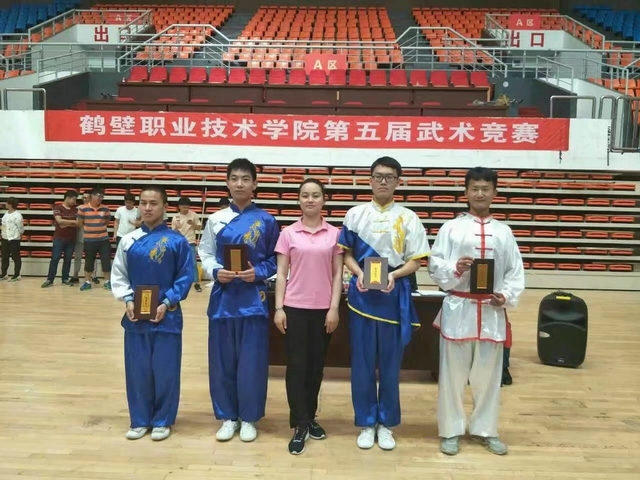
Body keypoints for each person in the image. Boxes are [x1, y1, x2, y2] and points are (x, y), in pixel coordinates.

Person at [428, 166, 524, 456]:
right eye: (475, 188)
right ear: (466, 192)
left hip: (491, 313)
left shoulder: (504, 232)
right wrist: (455, 268)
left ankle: (486, 429)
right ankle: (451, 430)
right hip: (458, 309)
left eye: (485, 189)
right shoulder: (451, 228)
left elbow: (514, 272)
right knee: (452, 377)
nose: (480, 194)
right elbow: (435, 264)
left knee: (488, 378)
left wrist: (505, 296)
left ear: (495, 193)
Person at [338, 156, 431, 451]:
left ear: (397, 182)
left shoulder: (409, 217)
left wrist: (394, 275)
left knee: (391, 365)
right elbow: (346, 254)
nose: (383, 181)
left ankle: (387, 423)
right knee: (362, 363)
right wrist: (358, 274)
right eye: (378, 176)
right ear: (370, 180)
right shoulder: (355, 215)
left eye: (389, 177)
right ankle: (367, 422)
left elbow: (416, 261)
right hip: (362, 298)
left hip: (393, 297)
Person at [198, 158, 279, 443]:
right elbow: (205, 254)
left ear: (255, 183)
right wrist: (214, 271)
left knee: (252, 362)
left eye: (246, 179)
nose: (240, 184)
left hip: (253, 300)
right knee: (222, 362)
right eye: (234, 178)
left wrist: (258, 272)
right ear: (227, 183)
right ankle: (228, 417)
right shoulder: (215, 219)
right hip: (223, 300)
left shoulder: (267, 221)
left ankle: (249, 417)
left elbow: (276, 260)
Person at [111, 186, 193, 442]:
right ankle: (139, 419)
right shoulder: (128, 240)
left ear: (165, 207)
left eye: (153, 203)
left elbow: (185, 276)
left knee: (165, 370)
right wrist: (127, 299)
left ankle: (162, 420)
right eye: (143, 203)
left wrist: (167, 302)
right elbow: (119, 274)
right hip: (136, 317)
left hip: (167, 316)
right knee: (137, 370)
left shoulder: (177, 241)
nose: (147, 208)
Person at [274, 178, 343, 455]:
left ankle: (310, 416)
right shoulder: (288, 233)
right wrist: (279, 308)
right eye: (305, 195)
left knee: (315, 367)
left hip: (323, 310)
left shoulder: (335, 234)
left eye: (315, 195)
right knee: (297, 367)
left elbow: (338, 274)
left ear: (324, 199)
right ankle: (300, 423)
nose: (310, 200)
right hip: (294, 308)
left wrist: (334, 308)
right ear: (299, 200)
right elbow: (281, 273)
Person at [77, 188, 112, 291]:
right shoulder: (83, 209)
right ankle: (87, 282)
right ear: (92, 196)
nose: (100, 198)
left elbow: (107, 221)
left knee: (106, 261)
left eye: (102, 197)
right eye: (98, 196)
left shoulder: (105, 209)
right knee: (89, 261)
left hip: (103, 240)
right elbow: (80, 223)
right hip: (89, 240)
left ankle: (107, 282)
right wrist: (89, 230)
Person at [42, 190, 79, 288]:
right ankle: (50, 279)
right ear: (67, 198)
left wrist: (65, 222)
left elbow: (78, 223)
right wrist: (72, 222)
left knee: (68, 259)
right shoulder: (58, 208)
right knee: (55, 258)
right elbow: (59, 221)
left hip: (71, 238)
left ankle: (65, 279)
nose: (75, 202)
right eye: (73, 199)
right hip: (59, 238)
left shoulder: (76, 210)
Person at [171, 197, 203, 293]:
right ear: (179, 207)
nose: (185, 209)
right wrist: (176, 228)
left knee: (193, 263)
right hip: (180, 243)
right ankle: (178, 282)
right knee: (178, 263)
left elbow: (199, 228)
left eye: (187, 207)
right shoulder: (176, 217)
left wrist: (193, 224)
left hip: (191, 242)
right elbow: (173, 232)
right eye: (183, 207)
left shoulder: (193, 215)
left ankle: (196, 283)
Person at [0, 197, 25, 282]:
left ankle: (17, 275)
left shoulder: (17, 215)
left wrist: (19, 235)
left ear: (10, 204)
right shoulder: (6, 214)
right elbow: (3, 225)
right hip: (5, 238)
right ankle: (4, 274)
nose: (5, 204)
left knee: (15, 257)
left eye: (7, 203)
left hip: (14, 238)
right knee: (4, 257)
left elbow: (21, 228)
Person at [70, 192, 91, 285]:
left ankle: (92, 276)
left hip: (91, 237)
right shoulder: (77, 208)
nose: (84, 199)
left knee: (91, 258)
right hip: (79, 236)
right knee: (77, 256)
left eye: (86, 197)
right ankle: (75, 275)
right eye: (83, 197)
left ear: (90, 198)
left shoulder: (94, 209)